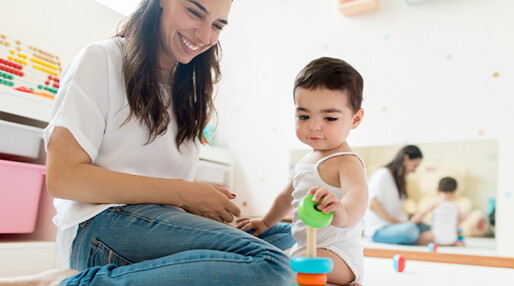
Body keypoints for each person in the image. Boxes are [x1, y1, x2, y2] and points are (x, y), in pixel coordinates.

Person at [0, 1, 295, 285]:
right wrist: (186, 194)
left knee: (286, 233)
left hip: (158, 222)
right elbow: (63, 178)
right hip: (100, 224)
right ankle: (69, 284)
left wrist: (201, 207)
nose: (205, 36)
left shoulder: (189, 86)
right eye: (194, 12)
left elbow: (171, 183)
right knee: (272, 265)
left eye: (217, 25)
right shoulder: (101, 59)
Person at [236, 57, 368, 286]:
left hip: (338, 255)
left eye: (329, 118)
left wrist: (342, 211)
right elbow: (286, 198)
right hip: (307, 247)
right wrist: (265, 223)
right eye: (304, 116)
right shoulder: (306, 160)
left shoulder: (346, 161)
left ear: (355, 119)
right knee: (290, 259)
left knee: (287, 265)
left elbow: (358, 195)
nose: (314, 125)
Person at [363, 145, 434, 245]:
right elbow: (373, 205)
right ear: (405, 158)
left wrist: (412, 217)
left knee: (429, 227)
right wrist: (398, 222)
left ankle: (422, 238)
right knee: (411, 230)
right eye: (415, 165)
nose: (414, 170)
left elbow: (394, 209)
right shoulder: (382, 174)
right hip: (380, 229)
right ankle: (422, 239)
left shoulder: (398, 180)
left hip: (396, 225)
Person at [410, 176, 464, 246]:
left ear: (437, 190)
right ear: (455, 191)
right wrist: (460, 240)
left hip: (435, 237)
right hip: (451, 240)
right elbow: (458, 225)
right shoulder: (456, 206)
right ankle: (449, 243)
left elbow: (422, 213)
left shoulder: (436, 203)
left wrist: (412, 221)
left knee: (418, 237)